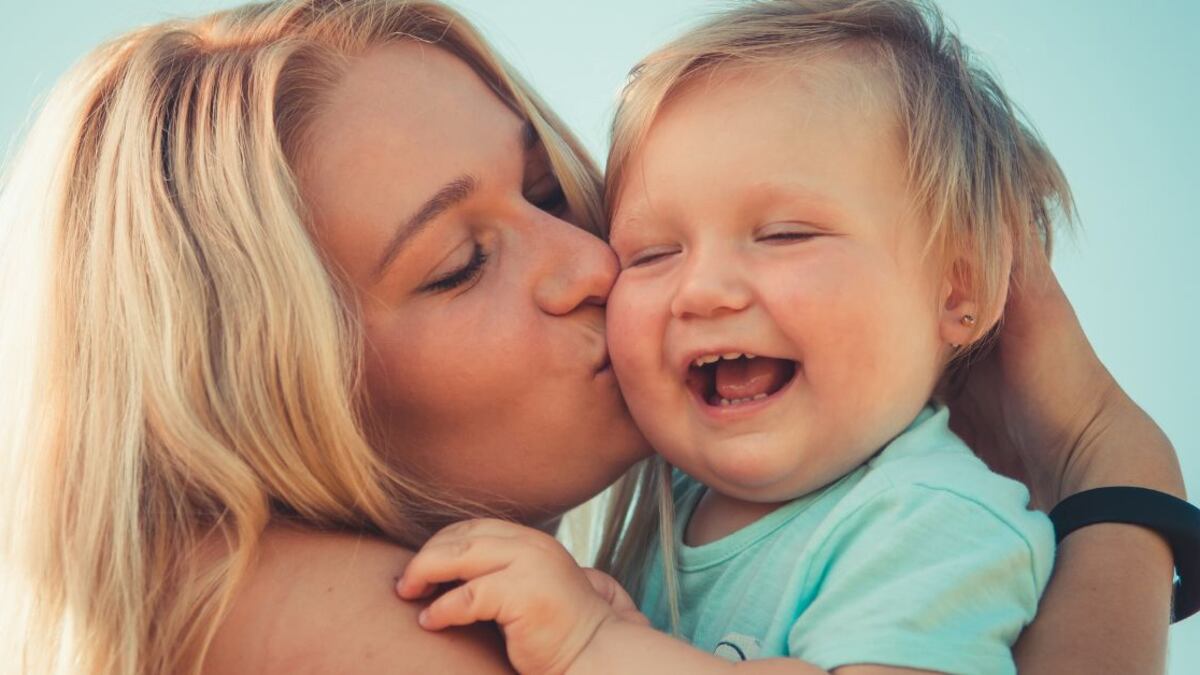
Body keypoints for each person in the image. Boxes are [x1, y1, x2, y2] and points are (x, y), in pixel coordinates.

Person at [0, 1, 1184, 674]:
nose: (592, 265)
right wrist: (1113, 470)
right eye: (461, 263)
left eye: (553, 197)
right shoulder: (289, 614)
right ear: (267, 391)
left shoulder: (729, 532)